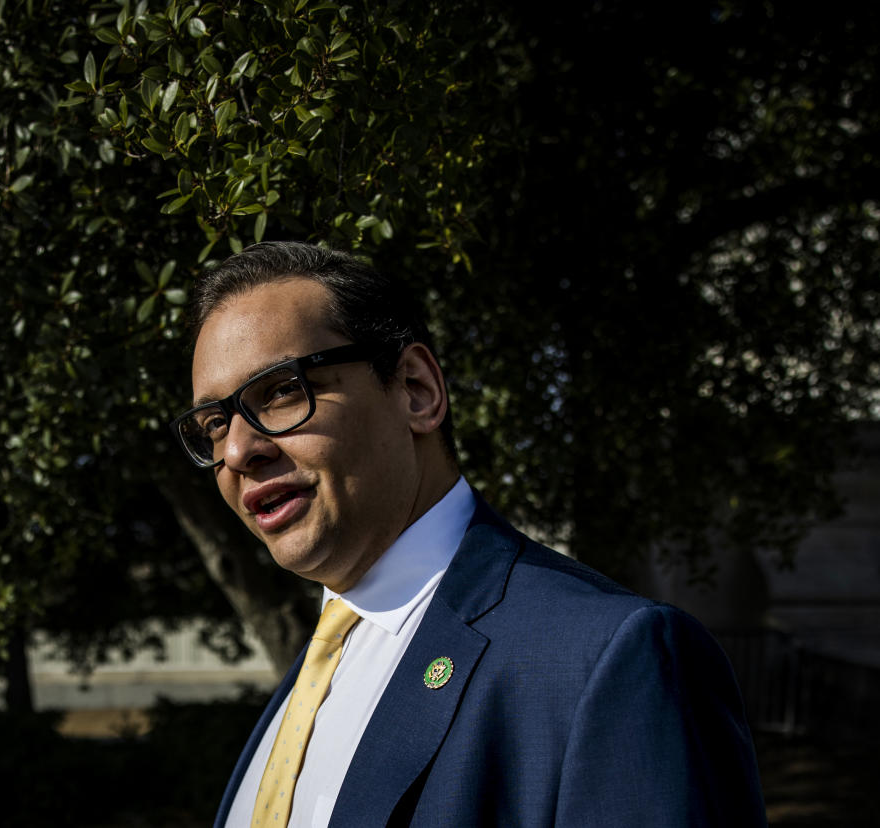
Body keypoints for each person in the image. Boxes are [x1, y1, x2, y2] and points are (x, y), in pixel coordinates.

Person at [169, 241, 767, 827]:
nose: (240, 450)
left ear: (416, 390)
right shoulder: (311, 673)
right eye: (215, 424)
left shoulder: (607, 661)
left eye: (279, 391)